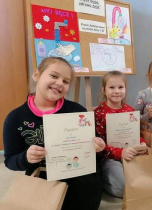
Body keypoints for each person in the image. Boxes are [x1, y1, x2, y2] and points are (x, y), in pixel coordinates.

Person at [3, 57, 105, 210]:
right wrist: (26, 157)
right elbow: (10, 161)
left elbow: (94, 142)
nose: (59, 83)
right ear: (36, 75)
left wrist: (98, 145)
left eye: (65, 81)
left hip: (80, 176)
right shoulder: (15, 118)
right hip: (42, 179)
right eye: (54, 76)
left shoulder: (77, 111)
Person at [94, 70, 147, 198]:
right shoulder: (99, 113)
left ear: (125, 89)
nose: (117, 91)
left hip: (131, 152)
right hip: (109, 157)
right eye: (112, 87)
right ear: (104, 89)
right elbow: (99, 145)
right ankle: (101, 180)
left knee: (145, 181)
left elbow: (134, 132)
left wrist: (141, 141)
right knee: (122, 189)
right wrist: (119, 153)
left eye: (120, 87)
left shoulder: (129, 110)